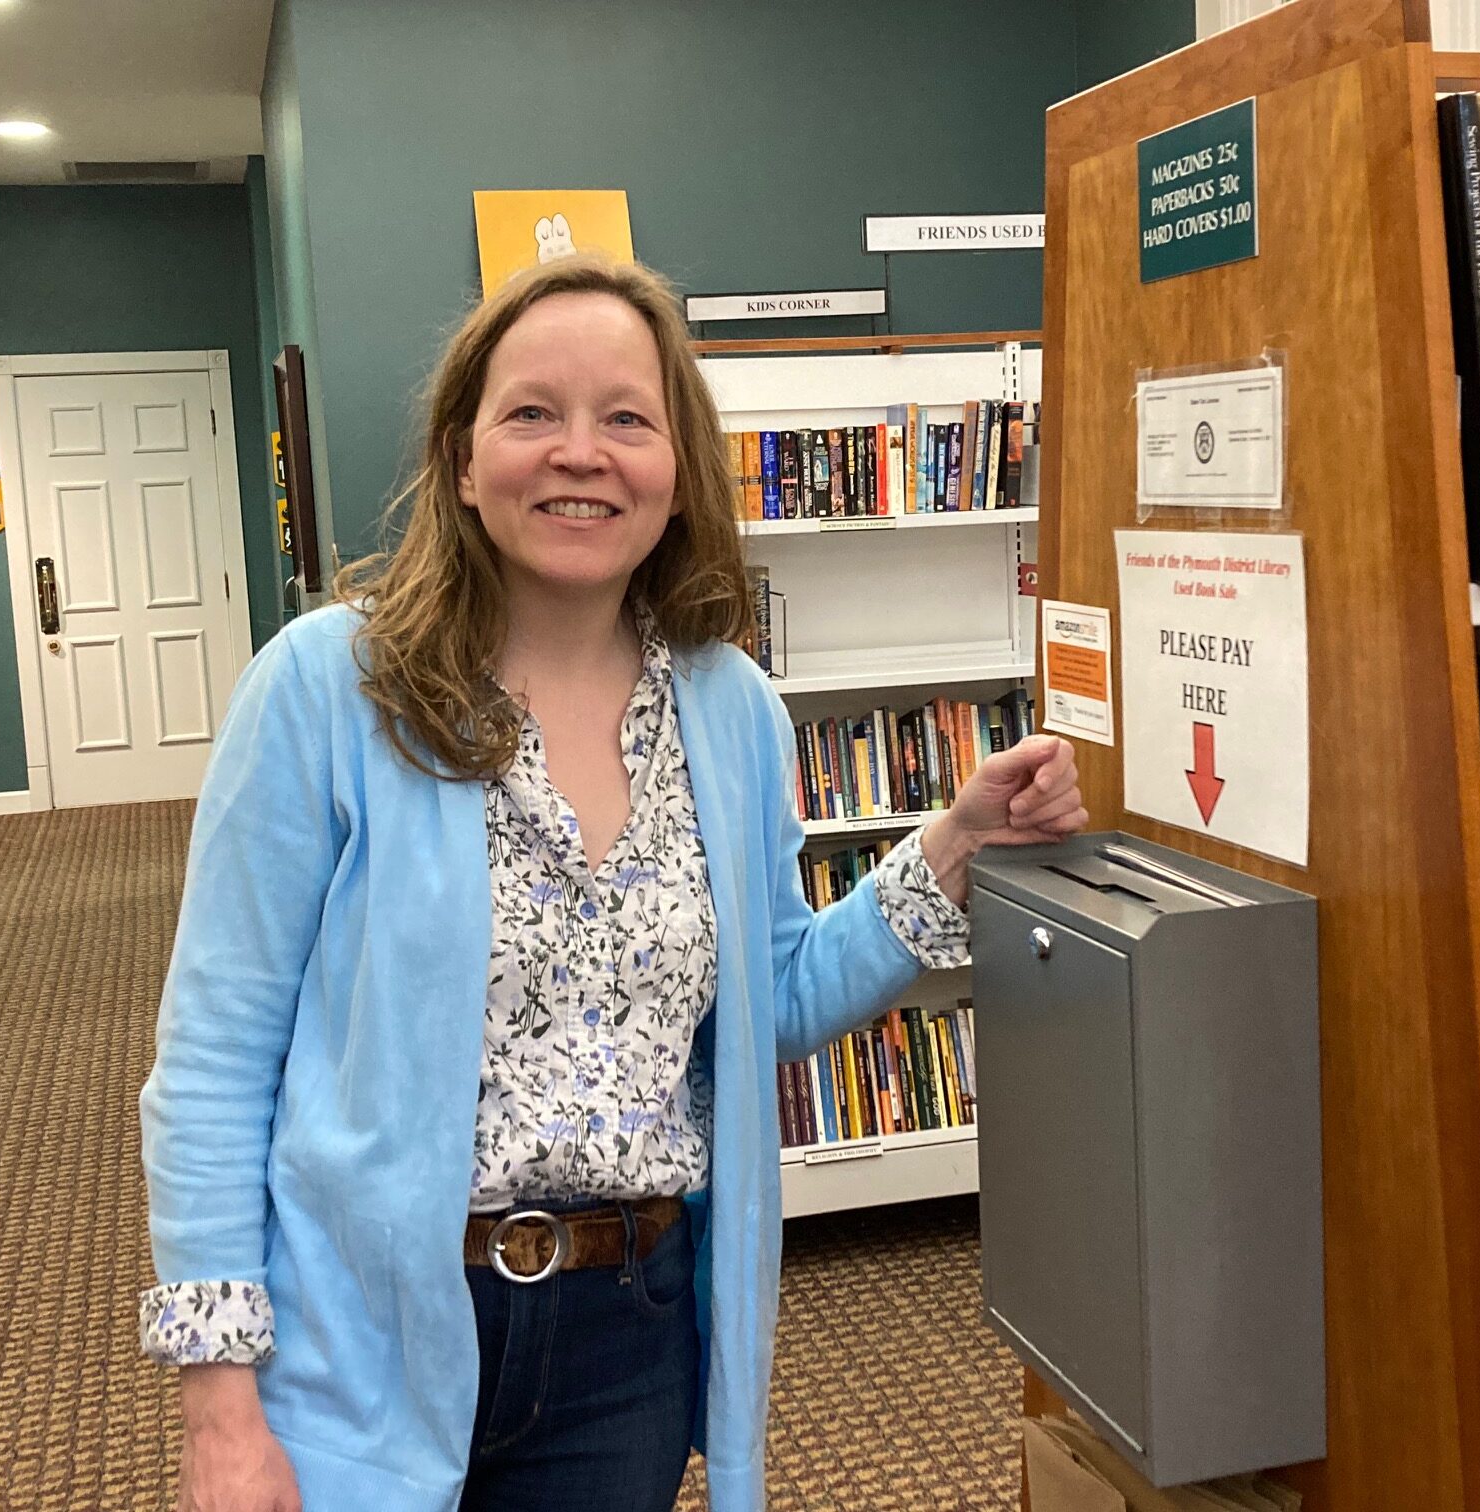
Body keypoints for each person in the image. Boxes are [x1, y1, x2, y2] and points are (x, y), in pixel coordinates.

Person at [137, 253, 1085, 1512]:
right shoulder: (326, 689)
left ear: (677, 470)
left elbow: (770, 1001)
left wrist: (954, 847)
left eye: (626, 419)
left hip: (627, 1333)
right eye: (532, 414)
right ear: (463, 462)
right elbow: (213, 1058)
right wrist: (220, 1407)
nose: (580, 452)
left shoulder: (731, 710)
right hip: (366, 1330)